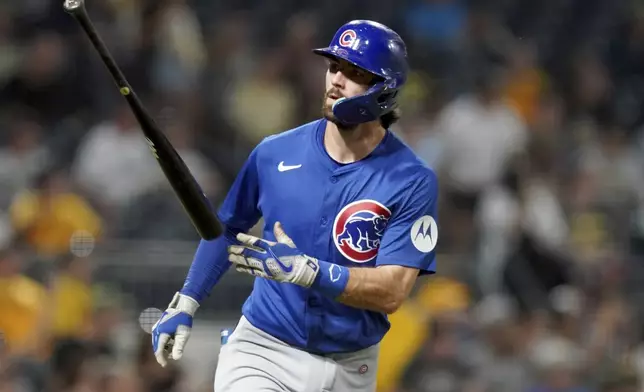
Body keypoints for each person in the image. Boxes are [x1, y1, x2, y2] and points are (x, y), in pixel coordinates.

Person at [151, 19, 440, 392]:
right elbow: (226, 228)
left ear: (384, 90)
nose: (336, 80)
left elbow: (392, 292)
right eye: (334, 66)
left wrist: (306, 271)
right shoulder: (274, 152)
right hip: (264, 350)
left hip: (353, 368)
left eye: (353, 72)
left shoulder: (411, 179)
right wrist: (186, 302)